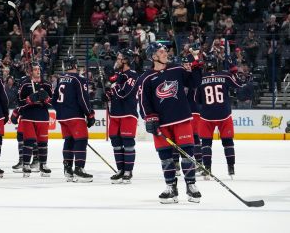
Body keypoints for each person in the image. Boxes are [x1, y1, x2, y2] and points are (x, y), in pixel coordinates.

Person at [138, 42, 202, 204]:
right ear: (154, 57)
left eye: (165, 50)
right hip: (162, 124)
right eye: (161, 51)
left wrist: (196, 65)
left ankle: (191, 185)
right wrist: (149, 117)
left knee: (187, 155)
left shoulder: (177, 69)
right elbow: (143, 102)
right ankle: (171, 187)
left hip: (182, 120)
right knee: (166, 158)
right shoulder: (145, 78)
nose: (166, 53)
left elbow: (194, 83)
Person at [195, 55, 242, 180]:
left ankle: (207, 169)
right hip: (224, 114)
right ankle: (231, 168)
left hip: (206, 115)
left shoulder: (200, 78)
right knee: (228, 143)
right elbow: (239, 84)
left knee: (206, 143)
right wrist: (234, 70)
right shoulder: (225, 75)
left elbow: (197, 99)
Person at [51, 55, 96, 182]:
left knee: (69, 141)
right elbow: (83, 99)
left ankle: (68, 169)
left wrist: (61, 111)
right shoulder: (79, 79)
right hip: (75, 116)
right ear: (75, 65)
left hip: (62, 117)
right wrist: (89, 114)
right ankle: (79, 170)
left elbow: (54, 100)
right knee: (81, 141)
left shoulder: (60, 79)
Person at [102, 49, 139, 184]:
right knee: (116, 144)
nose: (116, 61)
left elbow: (123, 93)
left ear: (126, 60)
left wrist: (113, 81)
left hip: (128, 114)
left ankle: (128, 170)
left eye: (119, 58)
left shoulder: (133, 75)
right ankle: (121, 170)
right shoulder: (117, 74)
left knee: (128, 143)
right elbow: (115, 93)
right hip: (116, 114)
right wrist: (107, 95)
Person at [18, 62, 53, 177]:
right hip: (28, 116)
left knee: (43, 142)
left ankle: (43, 164)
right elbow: (19, 103)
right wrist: (28, 100)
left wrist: (47, 99)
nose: (38, 71)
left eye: (39, 69)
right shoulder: (25, 84)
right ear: (31, 72)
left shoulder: (47, 85)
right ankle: (26, 164)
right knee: (29, 140)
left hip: (42, 116)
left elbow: (53, 103)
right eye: (35, 69)